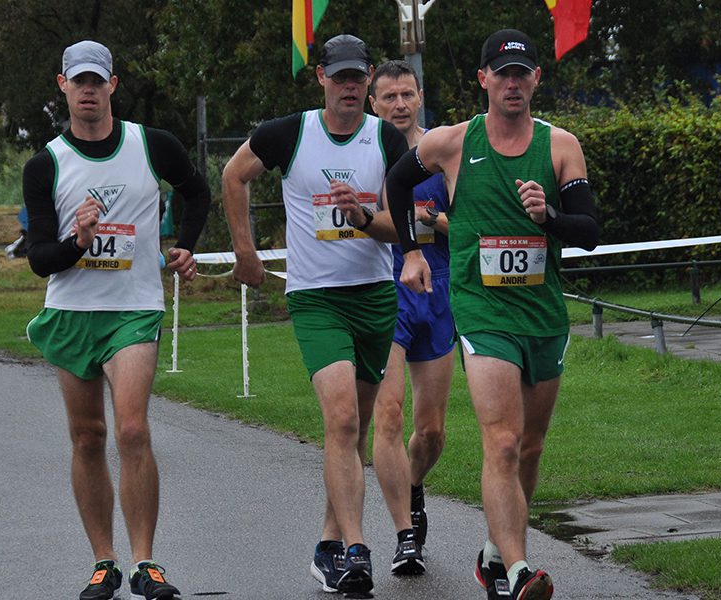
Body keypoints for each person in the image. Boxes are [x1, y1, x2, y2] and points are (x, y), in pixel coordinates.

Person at [385, 30, 600, 600]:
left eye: (522, 73)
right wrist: (410, 249)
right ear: (483, 79)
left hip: (543, 315)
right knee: (501, 442)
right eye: (501, 73)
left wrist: (548, 215)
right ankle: (520, 568)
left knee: (529, 446)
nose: (512, 82)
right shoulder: (453, 144)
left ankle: (492, 553)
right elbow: (398, 182)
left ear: (535, 80)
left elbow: (590, 234)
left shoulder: (561, 146)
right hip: (482, 312)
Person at [221, 34, 409, 596]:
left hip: (376, 295)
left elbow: (412, 225)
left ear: (369, 79)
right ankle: (356, 552)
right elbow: (233, 176)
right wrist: (246, 252)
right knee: (342, 421)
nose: (350, 87)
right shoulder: (289, 133)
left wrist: (367, 221)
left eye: (358, 78)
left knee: (353, 434)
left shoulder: (388, 139)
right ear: (321, 78)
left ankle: (328, 544)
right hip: (316, 298)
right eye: (340, 77)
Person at [22, 40, 210, 600]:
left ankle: (145, 562)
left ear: (112, 85)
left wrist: (186, 245)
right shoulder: (46, 164)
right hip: (72, 311)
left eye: (96, 81)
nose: (87, 90)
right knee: (87, 437)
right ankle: (103, 562)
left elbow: (196, 190)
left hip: (133, 307)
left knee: (131, 429)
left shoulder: (150, 145)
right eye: (78, 81)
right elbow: (38, 259)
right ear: (62, 85)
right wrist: (76, 243)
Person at [363, 60, 454, 577]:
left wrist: (429, 220)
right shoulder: (367, 156)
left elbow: (468, 227)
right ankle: (404, 534)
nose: (399, 104)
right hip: (387, 288)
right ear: (374, 104)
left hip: (438, 289)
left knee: (433, 431)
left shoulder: (442, 153)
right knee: (390, 415)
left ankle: (413, 484)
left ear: (420, 97)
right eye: (389, 96)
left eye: (407, 95)